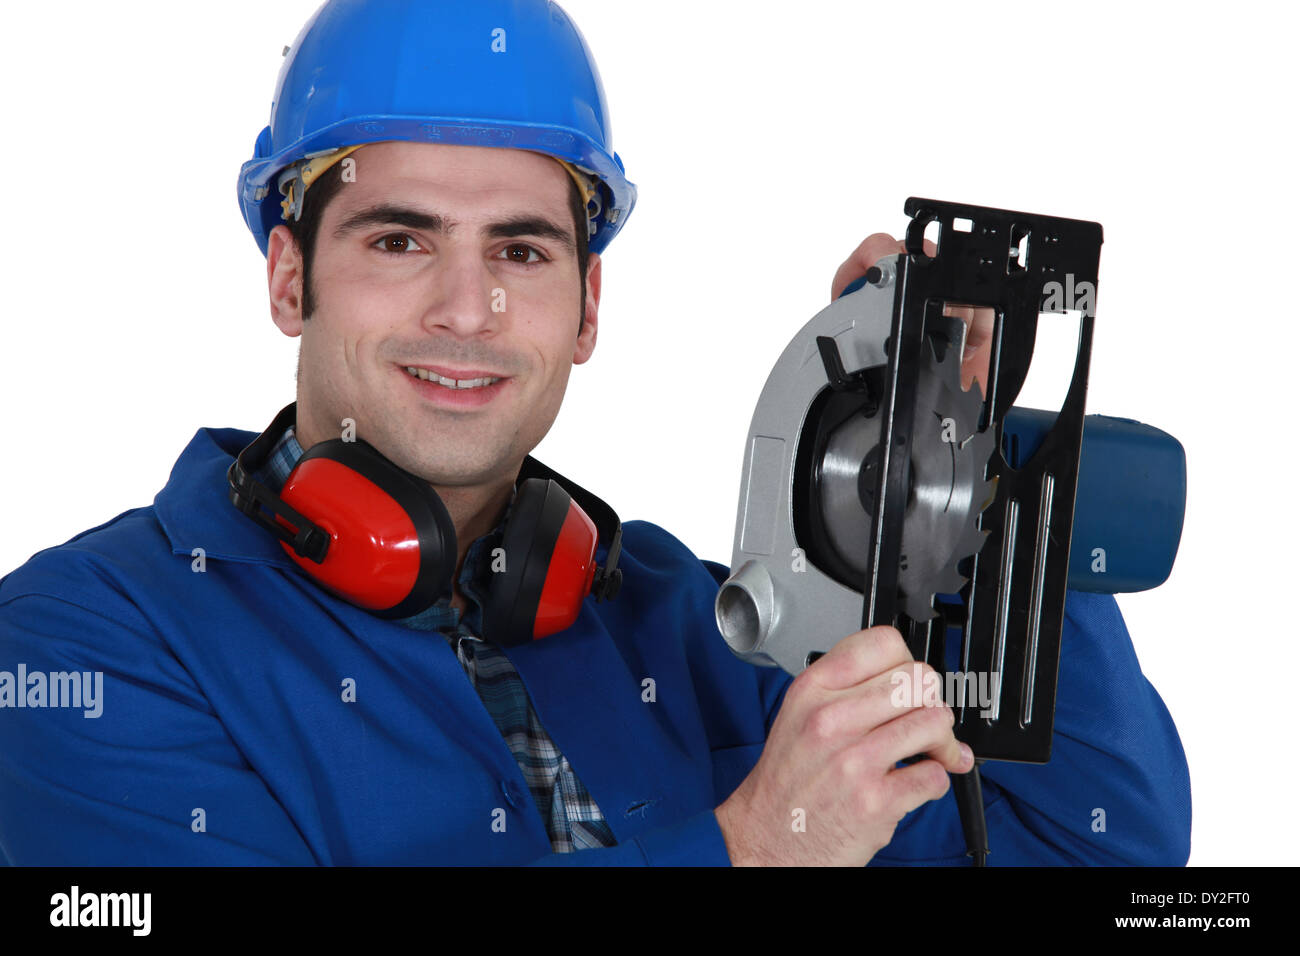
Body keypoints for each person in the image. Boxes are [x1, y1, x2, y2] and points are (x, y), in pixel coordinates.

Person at [0, 0, 1190, 866]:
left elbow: (1093, 857)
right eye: (398, 239)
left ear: (587, 307)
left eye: (521, 249)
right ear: (286, 276)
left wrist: (966, 471)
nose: (468, 310)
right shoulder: (82, 648)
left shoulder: (689, 622)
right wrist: (750, 848)